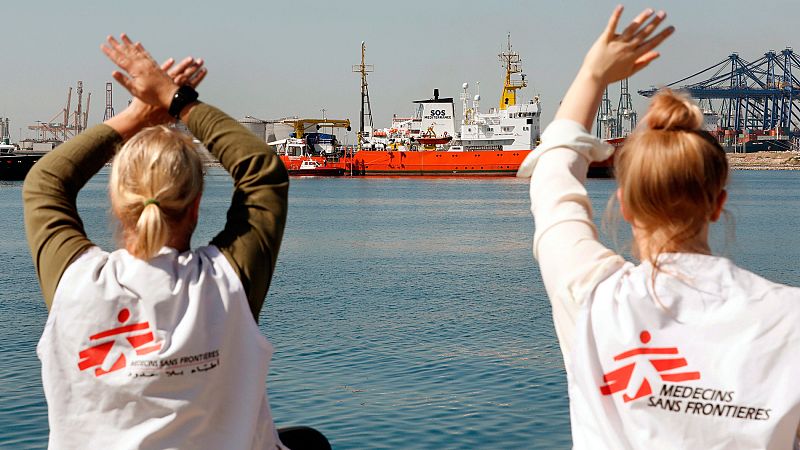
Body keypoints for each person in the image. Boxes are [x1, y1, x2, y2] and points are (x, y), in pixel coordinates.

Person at [23, 35, 329, 449]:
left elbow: (45, 184)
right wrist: (176, 99)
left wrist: (138, 113)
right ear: (196, 203)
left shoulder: (75, 284)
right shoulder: (225, 285)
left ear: (116, 200)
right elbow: (264, 172)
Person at [517, 7, 800, 449]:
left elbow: (553, 174)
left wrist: (593, 74)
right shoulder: (790, 318)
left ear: (625, 205)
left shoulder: (592, 299)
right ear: (718, 204)